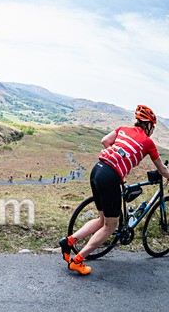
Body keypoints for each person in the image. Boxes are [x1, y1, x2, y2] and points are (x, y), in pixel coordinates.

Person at [60, 105, 169, 275]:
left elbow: (105, 141)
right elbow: (162, 170)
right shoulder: (148, 142)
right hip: (109, 177)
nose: (153, 131)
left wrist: (118, 156)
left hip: (97, 169)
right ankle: (78, 260)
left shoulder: (123, 129)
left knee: (101, 219)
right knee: (110, 227)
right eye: (153, 127)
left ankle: (69, 241)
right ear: (148, 125)